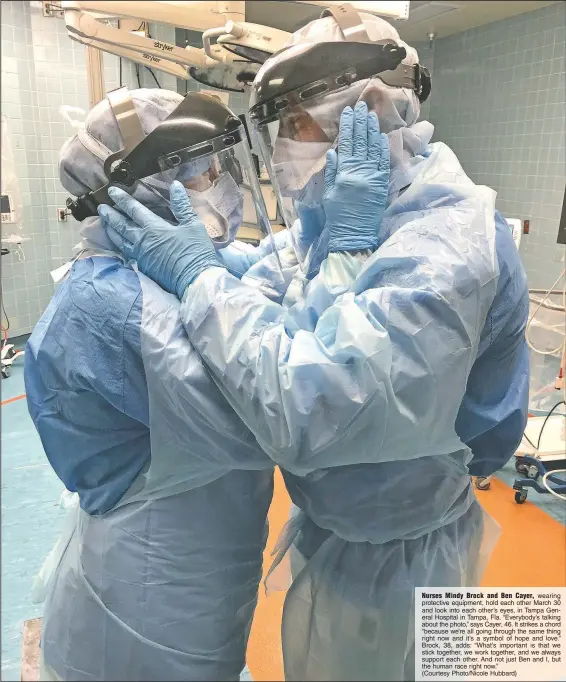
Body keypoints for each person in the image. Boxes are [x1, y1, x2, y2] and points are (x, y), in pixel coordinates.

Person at [100, 9, 529, 681]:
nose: (281, 150)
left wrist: (199, 276)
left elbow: (314, 411)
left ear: (371, 108)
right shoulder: (351, 211)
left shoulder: (448, 250)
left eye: (295, 125)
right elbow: (277, 273)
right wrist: (202, 260)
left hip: (405, 556)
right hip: (343, 534)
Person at [24, 87, 293, 681]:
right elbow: (276, 414)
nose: (221, 183)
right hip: (143, 615)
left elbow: (236, 285)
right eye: (202, 172)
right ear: (138, 187)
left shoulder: (151, 275)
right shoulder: (115, 310)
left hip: (184, 591)